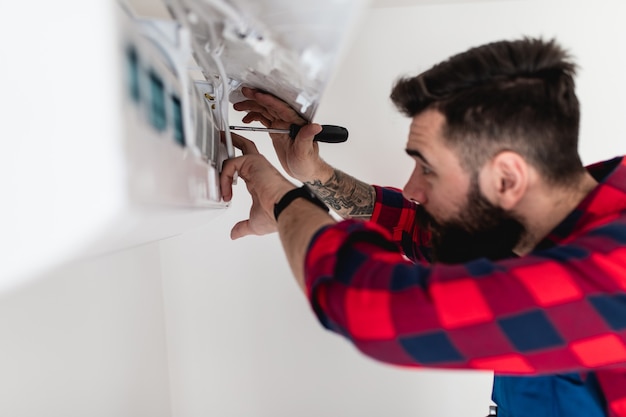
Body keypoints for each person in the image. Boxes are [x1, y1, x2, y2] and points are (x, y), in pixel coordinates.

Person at [219, 38, 626, 417]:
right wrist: (314, 175)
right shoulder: (559, 207)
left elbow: (371, 305)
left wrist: (281, 200)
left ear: (507, 178)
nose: (412, 189)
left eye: (427, 168)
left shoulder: (614, 276)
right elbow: (425, 232)